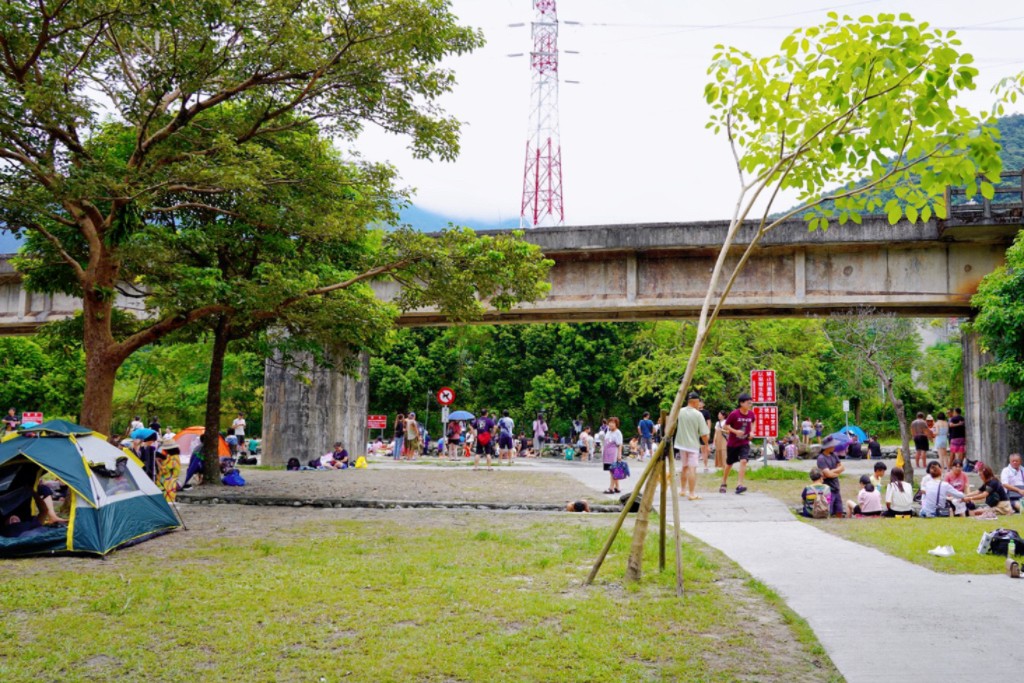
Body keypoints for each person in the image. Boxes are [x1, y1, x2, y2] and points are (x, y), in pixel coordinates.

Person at [675, 391, 710, 501]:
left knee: (684, 467)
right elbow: (704, 434)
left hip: (681, 444)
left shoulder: (680, 412)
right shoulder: (698, 414)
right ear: (695, 402)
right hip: (693, 445)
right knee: (692, 469)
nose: (699, 405)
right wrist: (707, 444)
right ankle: (692, 493)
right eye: (698, 402)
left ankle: (682, 490)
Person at [721, 393, 756, 495]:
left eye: (750, 402)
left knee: (744, 461)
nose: (750, 404)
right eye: (747, 402)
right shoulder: (734, 414)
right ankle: (723, 482)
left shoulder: (751, 414)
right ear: (741, 403)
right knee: (729, 464)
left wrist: (752, 432)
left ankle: (739, 485)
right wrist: (735, 431)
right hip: (732, 443)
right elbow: (726, 426)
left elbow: (753, 422)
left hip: (744, 442)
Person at [816, 433, 848, 517]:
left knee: (839, 510)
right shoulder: (821, 458)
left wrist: (833, 472)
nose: (834, 446)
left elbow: (842, 467)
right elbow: (828, 474)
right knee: (828, 511)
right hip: (827, 489)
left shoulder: (834, 455)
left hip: (836, 486)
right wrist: (836, 472)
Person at [602, 416, 624, 494]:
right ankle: (617, 487)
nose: (611, 424)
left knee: (613, 471)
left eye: (613, 423)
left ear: (616, 424)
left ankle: (611, 488)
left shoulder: (618, 432)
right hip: (607, 454)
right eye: (610, 422)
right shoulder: (608, 431)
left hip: (614, 454)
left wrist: (619, 455)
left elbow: (620, 445)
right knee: (613, 471)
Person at [698, 400, 713, 471]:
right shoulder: (694, 411)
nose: (699, 404)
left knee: (704, 449)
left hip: (703, 432)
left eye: (701, 403)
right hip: (695, 432)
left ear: (703, 404)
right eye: (698, 403)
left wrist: (708, 432)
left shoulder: (706, 412)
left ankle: (705, 465)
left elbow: (709, 422)